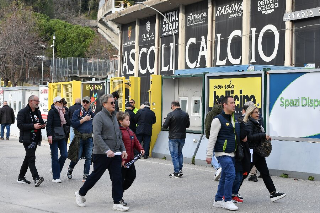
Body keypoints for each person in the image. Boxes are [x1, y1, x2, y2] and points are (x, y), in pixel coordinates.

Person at [74, 94, 129, 212]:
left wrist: (123, 149)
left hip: (115, 153)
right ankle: (80, 193)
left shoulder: (114, 116)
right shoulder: (99, 117)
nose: (114, 105)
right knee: (95, 176)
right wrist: (106, 150)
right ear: (104, 104)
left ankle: (117, 202)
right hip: (101, 153)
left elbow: (118, 135)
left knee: (117, 177)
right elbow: (97, 136)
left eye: (114, 103)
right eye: (112, 103)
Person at [244, 105, 286, 202]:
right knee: (244, 173)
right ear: (250, 114)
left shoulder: (257, 123)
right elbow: (250, 137)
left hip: (258, 152)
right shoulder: (250, 123)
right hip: (252, 152)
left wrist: (265, 137)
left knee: (265, 173)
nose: (258, 114)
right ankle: (233, 193)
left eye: (258, 112)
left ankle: (273, 193)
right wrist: (263, 135)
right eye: (256, 112)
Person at [206, 96, 239, 211]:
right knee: (231, 174)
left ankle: (218, 199)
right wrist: (209, 155)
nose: (234, 105)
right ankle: (227, 200)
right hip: (222, 152)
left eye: (234, 102)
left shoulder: (233, 119)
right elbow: (212, 138)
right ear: (225, 105)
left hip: (231, 152)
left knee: (225, 176)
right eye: (231, 103)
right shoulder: (217, 120)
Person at [117, 111, 144, 205]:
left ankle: (119, 192)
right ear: (120, 121)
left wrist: (140, 149)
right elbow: (118, 146)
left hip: (130, 159)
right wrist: (122, 159)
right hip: (122, 160)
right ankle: (118, 197)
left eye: (129, 120)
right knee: (120, 179)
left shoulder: (129, 130)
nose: (129, 121)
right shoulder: (119, 132)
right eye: (127, 120)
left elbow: (135, 141)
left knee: (131, 177)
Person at [17, 95, 45, 187]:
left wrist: (42, 125)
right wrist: (33, 126)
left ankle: (21, 177)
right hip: (27, 138)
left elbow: (40, 121)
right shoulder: (23, 112)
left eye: (38, 101)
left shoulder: (38, 112)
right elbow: (20, 125)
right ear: (30, 101)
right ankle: (36, 178)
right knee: (31, 158)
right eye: (36, 101)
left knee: (28, 157)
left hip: (35, 138)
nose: (37, 103)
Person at [67, 96, 95, 182]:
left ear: (90, 103)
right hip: (79, 137)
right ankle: (70, 169)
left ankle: (86, 175)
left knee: (89, 157)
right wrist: (83, 120)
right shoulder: (77, 112)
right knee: (77, 157)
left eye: (87, 102)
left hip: (89, 138)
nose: (85, 104)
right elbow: (74, 124)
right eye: (84, 102)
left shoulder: (92, 113)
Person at [163, 101, 190, 178]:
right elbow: (187, 125)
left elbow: (165, 126)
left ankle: (176, 171)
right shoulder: (185, 114)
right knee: (179, 153)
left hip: (173, 137)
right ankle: (180, 170)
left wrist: (165, 121)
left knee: (174, 155)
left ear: (173, 106)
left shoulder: (170, 114)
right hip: (182, 136)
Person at [46, 96, 70, 183]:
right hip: (54, 135)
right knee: (55, 156)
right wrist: (49, 136)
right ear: (55, 102)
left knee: (64, 154)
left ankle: (55, 169)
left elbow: (68, 122)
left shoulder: (64, 110)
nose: (61, 104)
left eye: (62, 102)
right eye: (60, 102)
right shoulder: (52, 111)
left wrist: (65, 114)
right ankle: (56, 177)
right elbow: (49, 124)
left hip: (62, 135)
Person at [204, 98, 223, 181]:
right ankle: (221, 168)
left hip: (214, 136)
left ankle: (218, 167)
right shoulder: (225, 113)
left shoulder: (210, 114)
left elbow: (207, 126)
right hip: (223, 137)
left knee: (209, 152)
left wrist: (209, 136)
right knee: (222, 153)